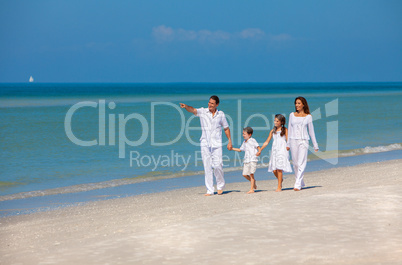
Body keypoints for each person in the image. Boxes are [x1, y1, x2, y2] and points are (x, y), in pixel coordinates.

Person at [180, 96, 233, 196]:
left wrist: (229, 141)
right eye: (209, 102)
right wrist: (186, 106)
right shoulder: (203, 111)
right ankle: (210, 190)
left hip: (217, 144)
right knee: (207, 167)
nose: (209, 105)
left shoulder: (221, 114)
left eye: (212, 103)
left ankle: (220, 186)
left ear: (217, 104)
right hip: (205, 144)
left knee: (218, 166)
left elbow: (226, 128)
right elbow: (193, 110)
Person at [286, 97, 319, 191]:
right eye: (296, 103)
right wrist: (287, 143)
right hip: (293, 141)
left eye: (299, 103)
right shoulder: (291, 115)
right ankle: (300, 181)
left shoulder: (308, 117)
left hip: (303, 141)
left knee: (301, 162)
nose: (297, 105)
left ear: (303, 104)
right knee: (295, 164)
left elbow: (311, 131)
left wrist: (315, 145)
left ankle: (297, 184)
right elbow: (290, 128)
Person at [257, 114, 292, 192]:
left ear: (281, 122)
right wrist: (260, 149)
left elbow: (288, 139)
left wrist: (288, 146)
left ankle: (279, 186)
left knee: (279, 168)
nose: (275, 122)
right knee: (274, 170)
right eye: (275, 120)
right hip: (275, 151)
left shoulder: (285, 130)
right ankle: (281, 179)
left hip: (282, 150)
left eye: (277, 121)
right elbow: (267, 142)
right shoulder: (273, 131)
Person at [231, 127, 261, 194]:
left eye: (244, 134)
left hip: (253, 159)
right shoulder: (244, 142)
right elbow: (240, 150)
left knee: (251, 174)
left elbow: (258, 147)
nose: (243, 135)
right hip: (246, 160)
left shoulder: (252, 140)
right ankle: (253, 182)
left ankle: (251, 189)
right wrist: (232, 148)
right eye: (243, 134)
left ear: (249, 134)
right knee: (244, 174)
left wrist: (259, 152)